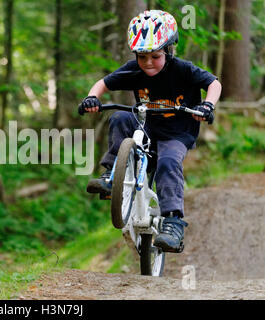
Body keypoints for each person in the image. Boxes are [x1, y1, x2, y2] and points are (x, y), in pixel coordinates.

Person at [79, 10, 222, 253]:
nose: (147, 63)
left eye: (155, 57)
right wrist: (92, 98)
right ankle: (111, 174)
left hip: (177, 134)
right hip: (146, 127)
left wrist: (207, 105)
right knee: (120, 117)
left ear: (169, 51)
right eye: (142, 57)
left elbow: (213, 83)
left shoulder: (182, 70)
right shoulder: (134, 69)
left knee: (168, 163)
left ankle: (174, 222)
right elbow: (104, 83)